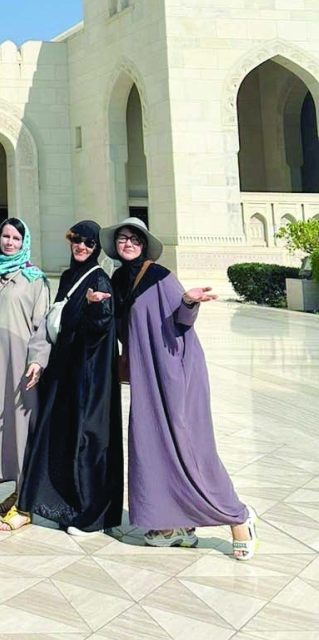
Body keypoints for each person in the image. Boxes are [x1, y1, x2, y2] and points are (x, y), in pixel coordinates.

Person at [107, 218, 258, 559]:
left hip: (176, 371)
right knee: (152, 445)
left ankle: (238, 516)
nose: (127, 243)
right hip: (146, 374)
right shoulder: (118, 281)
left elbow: (182, 320)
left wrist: (189, 301)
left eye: (134, 239)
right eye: (122, 238)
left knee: (189, 448)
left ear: (144, 245)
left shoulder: (160, 277)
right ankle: (174, 526)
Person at [17, 220, 123, 535]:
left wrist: (94, 308)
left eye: (89, 243)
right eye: (77, 240)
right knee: (63, 437)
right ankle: (66, 506)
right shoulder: (69, 276)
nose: (81, 247)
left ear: (97, 248)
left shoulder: (100, 280)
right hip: (65, 370)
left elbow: (102, 327)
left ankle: (91, 517)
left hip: (89, 376)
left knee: (87, 440)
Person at [0, 217, 50, 529]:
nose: (10, 242)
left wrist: (38, 360)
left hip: (20, 363)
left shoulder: (34, 278)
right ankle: (17, 491)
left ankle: (25, 505)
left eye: (16, 238)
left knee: (20, 427)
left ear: (24, 242)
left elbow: (42, 325)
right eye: (5, 236)